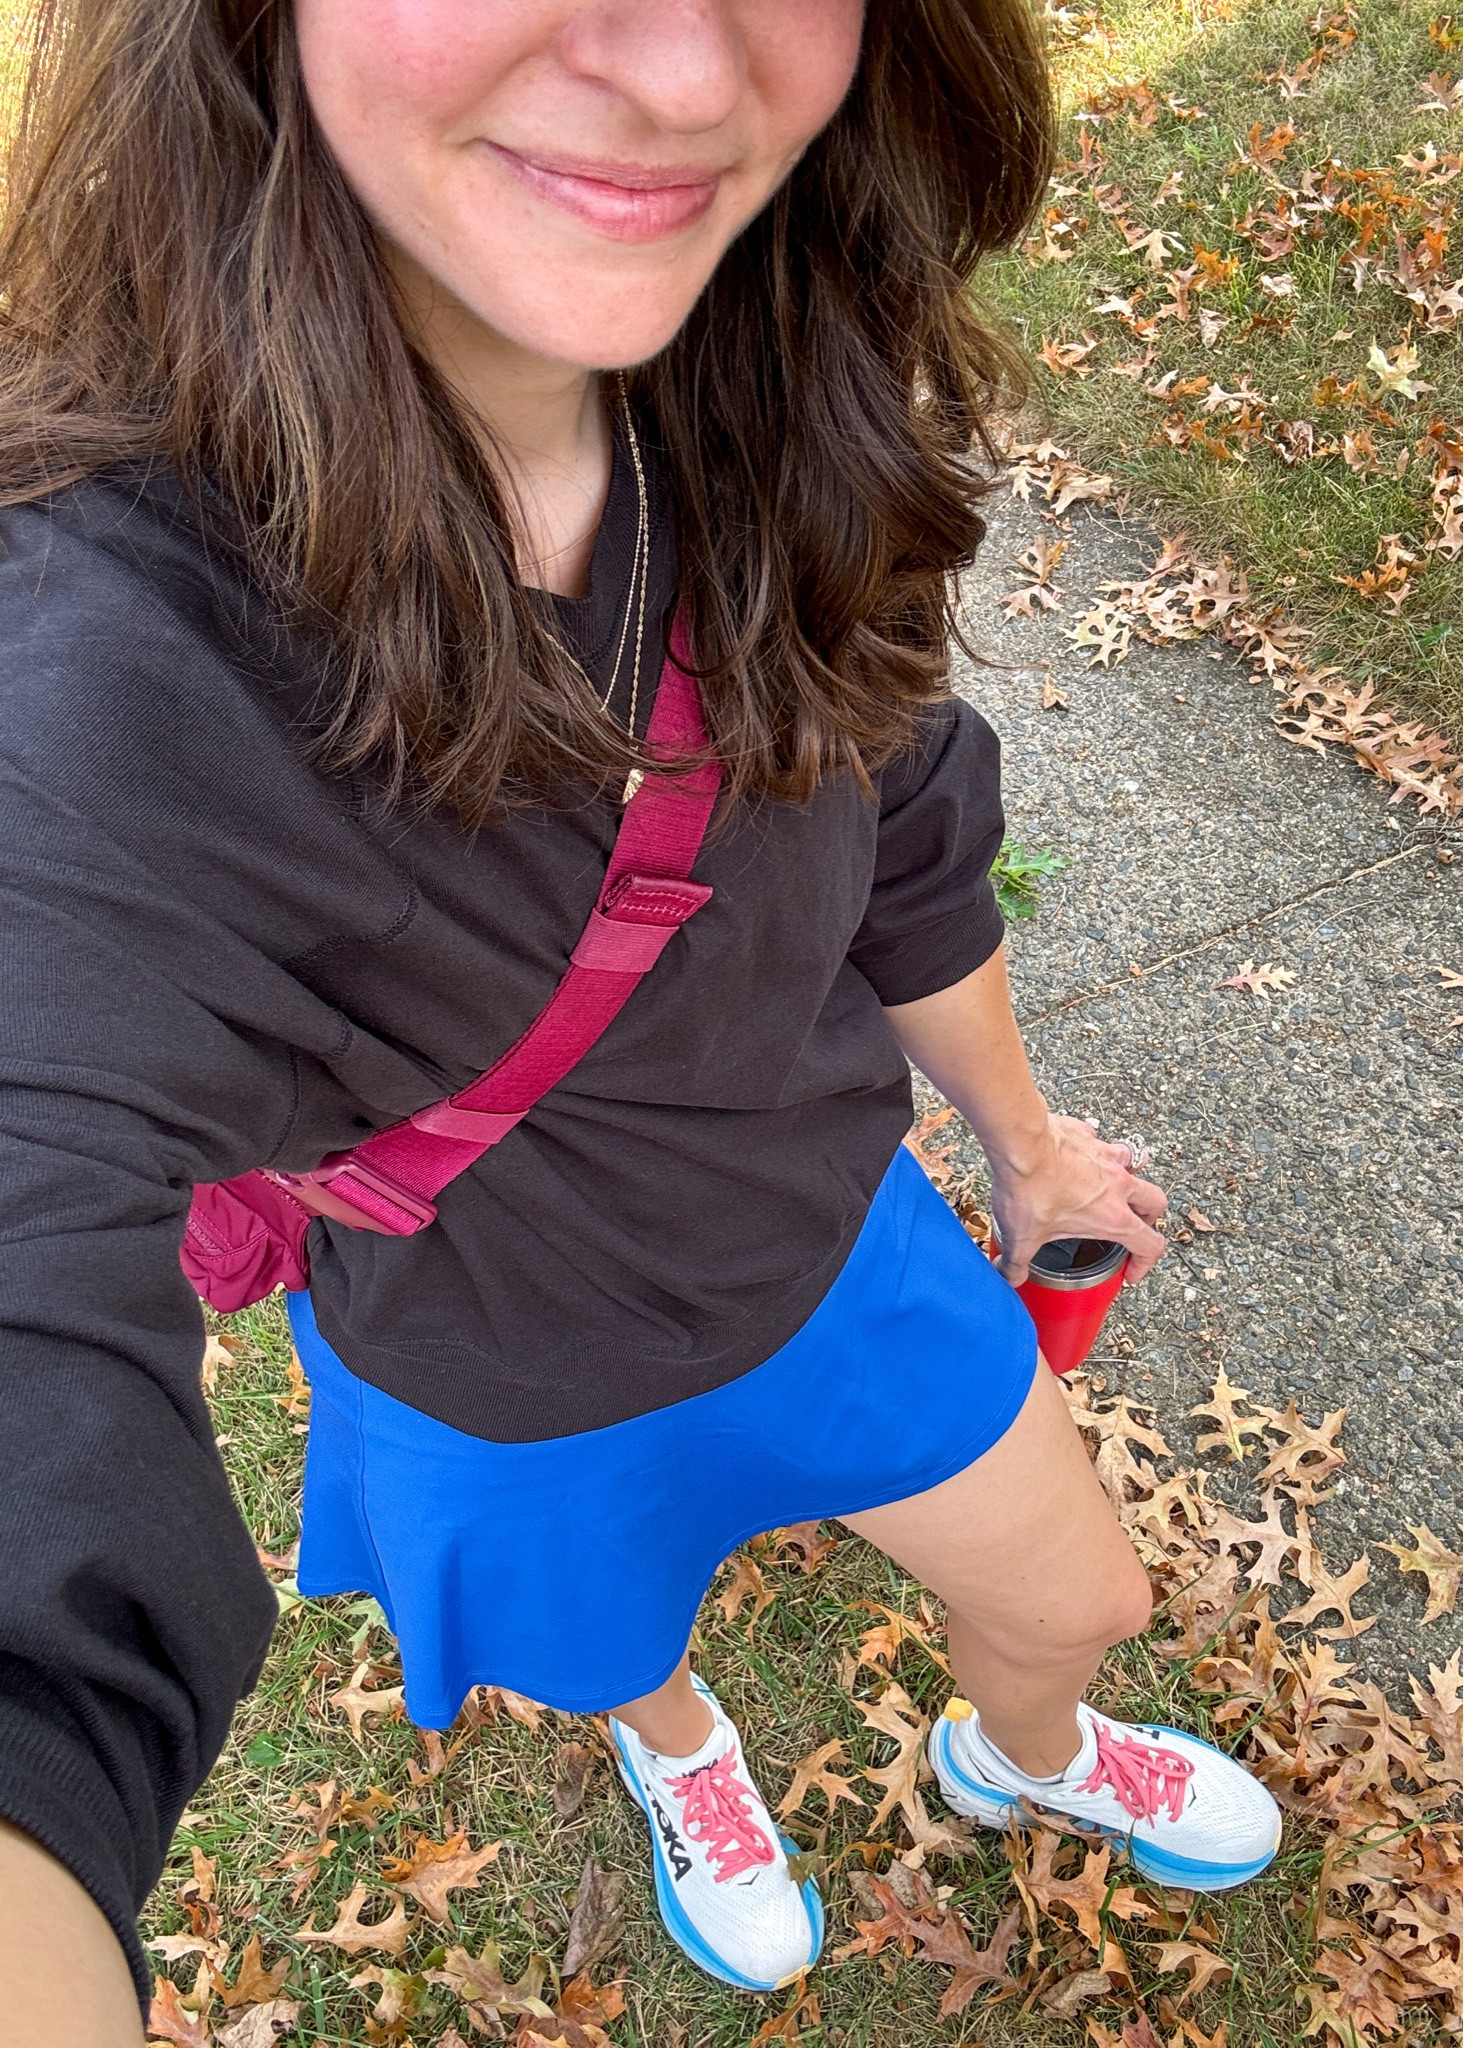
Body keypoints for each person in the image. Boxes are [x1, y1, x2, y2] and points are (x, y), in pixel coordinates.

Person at [0, 0, 1282, 2037]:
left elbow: (912, 831)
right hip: (494, 1371)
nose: (687, 73)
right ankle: (678, 1750)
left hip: (836, 1252)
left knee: (1079, 1596)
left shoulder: (775, 389)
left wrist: (1027, 1145)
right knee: (617, 1648)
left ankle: (1025, 1751)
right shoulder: (96, 664)